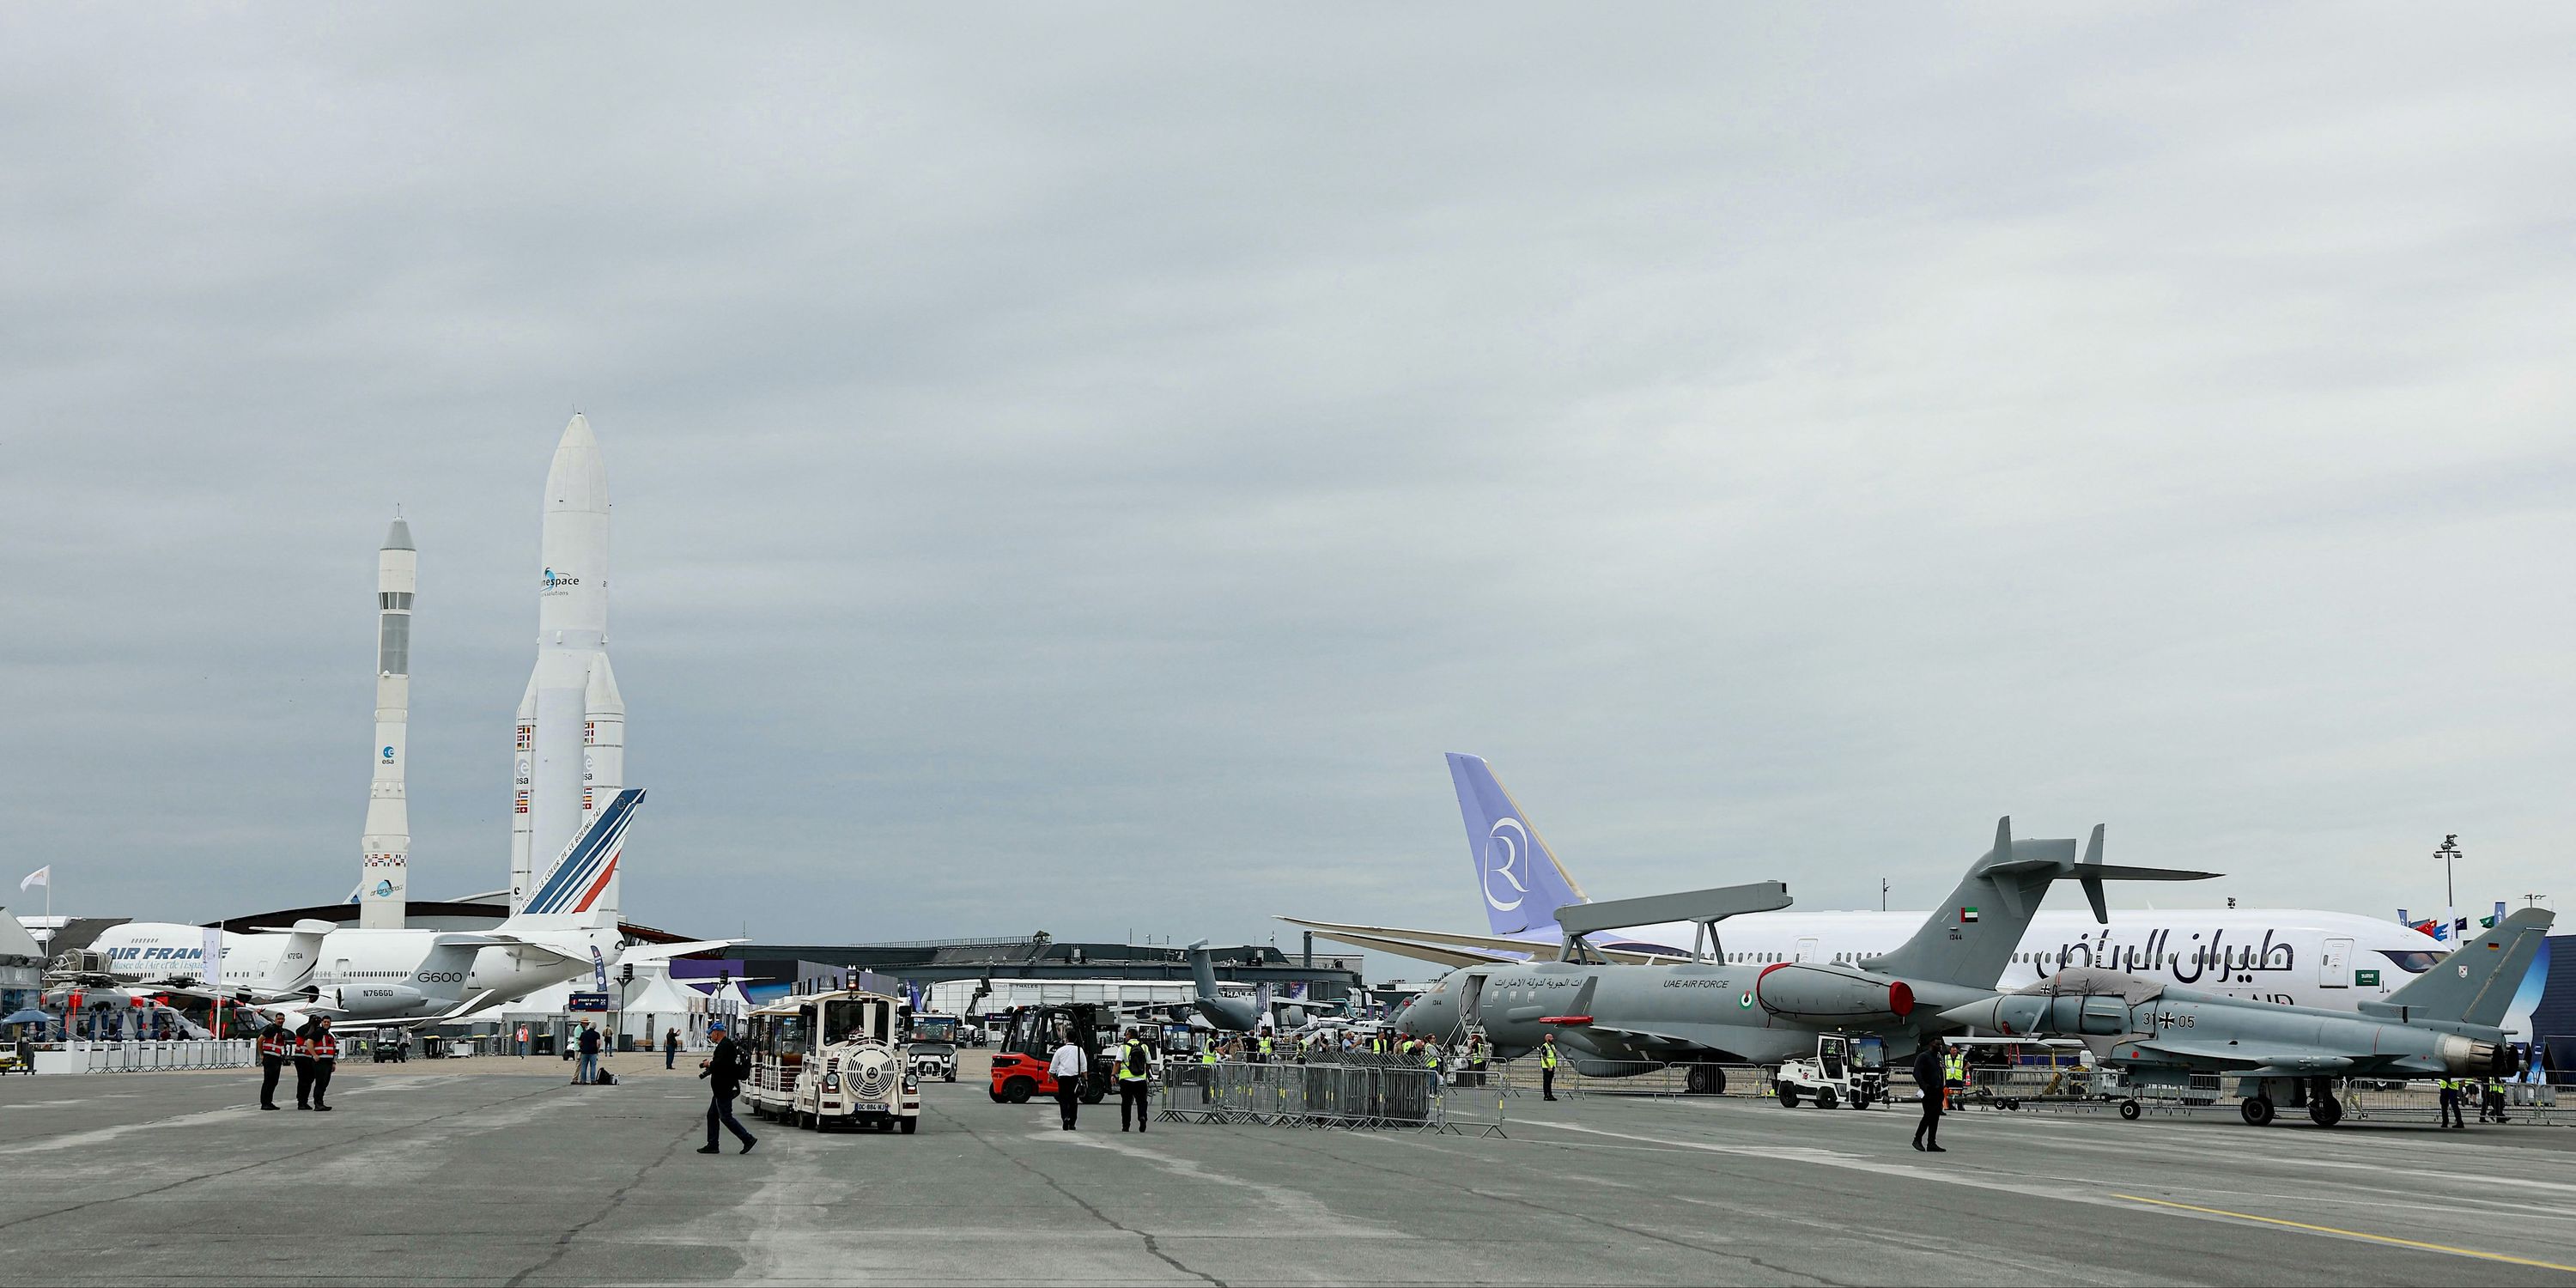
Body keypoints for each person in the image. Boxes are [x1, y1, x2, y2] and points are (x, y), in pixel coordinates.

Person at [696, 1019, 756, 1155]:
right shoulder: (725, 1045)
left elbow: (722, 1065)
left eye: (711, 1033)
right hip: (720, 1088)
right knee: (712, 1115)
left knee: (725, 1117)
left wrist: (709, 1064)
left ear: (717, 1033)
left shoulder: (725, 1046)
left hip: (724, 1088)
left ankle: (747, 1138)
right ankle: (712, 1144)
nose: (710, 1036)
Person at [1115, 1027, 1157, 1133]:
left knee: (1126, 1103)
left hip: (1126, 1080)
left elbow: (1118, 1063)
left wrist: (1113, 1074)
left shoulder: (1123, 1048)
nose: (1125, 1037)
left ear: (1129, 1035)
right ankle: (1142, 1117)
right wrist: (1145, 1074)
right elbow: (1148, 1063)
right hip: (1140, 1079)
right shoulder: (1144, 1047)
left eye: (1126, 1035)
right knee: (1142, 1101)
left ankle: (1126, 1126)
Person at [1048, 1033, 1090, 1131]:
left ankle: (1065, 1118)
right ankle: (1072, 1123)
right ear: (1075, 1040)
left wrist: (1050, 1076)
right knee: (1073, 1100)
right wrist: (1086, 1080)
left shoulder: (1060, 1050)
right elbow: (1084, 1068)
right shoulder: (1080, 1051)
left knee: (1063, 1099)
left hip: (1063, 1078)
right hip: (1074, 1078)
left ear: (1066, 1039)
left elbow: (1053, 1065)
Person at [1911, 1037, 1946, 1152]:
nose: (1940, 1046)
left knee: (1935, 1117)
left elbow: (1939, 1073)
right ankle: (1917, 1139)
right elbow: (1916, 1073)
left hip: (1937, 1092)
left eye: (1940, 1044)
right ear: (1931, 1044)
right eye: (1937, 1044)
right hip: (1928, 1092)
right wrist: (1924, 1087)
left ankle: (1932, 1143)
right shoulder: (1923, 1057)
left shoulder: (1937, 1058)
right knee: (1928, 1116)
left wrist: (1941, 1088)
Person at [255, 1018, 289, 1110]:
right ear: (275, 1020)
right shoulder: (271, 1028)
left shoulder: (280, 1031)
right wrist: (262, 1054)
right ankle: (265, 1103)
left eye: (282, 1019)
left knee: (274, 1081)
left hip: (277, 1058)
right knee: (268, 1081)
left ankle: (269, 1102)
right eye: (278, 1019)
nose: (280, 1021)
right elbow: (260, 1040)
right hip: (270, 1057)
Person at [305, 1018, 337, 1112]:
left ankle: (320, 1103)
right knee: (320, 1083)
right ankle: (318, 1104)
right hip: (320, 1062)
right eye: (325, 1022)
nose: (326, 1023)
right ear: (322, 1023)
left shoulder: (329, 1035)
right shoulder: (318, 1032)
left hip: (328, 1062)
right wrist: (314, 1055)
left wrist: (333, 1063)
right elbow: (309, 1042)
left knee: (324, 1083)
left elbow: (333, 1049)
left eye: (328, 1022)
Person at [292, 1019, 322, 1110]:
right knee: (305, 1081)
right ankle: (302, 1102)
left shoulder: (302, 1030)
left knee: (304, 1081)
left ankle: (302, 1101)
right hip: (305, 1058)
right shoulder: (313, 1031)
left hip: (301, 1057)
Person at [575, 1020, 601, 1086]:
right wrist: (597, 1050)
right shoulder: (596, 1034)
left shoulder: (584, 1033)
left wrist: (582, 1047)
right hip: (593, 1052)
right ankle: (593, 1080)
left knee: (583, 1066)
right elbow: (598, 1043)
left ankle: (583, 1080)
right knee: (593, 1066)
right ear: (595, 1027)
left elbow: (579, 1042)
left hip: (584, 1052)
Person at [1540, 1033, 1562, 1102]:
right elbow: (1544, 1057)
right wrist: (1548, 1066)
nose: (1552, 1039)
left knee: (1550, 1081)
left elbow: (1554, 1053)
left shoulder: (1552, 1045)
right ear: (1547, 1038)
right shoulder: (1544, 1046)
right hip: (1547, 1066)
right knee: (1546, 1081)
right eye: (1551, 1038)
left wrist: (1554, 1049)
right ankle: (1546, 1095)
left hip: (1552, 1066)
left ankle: (1550, 1095)